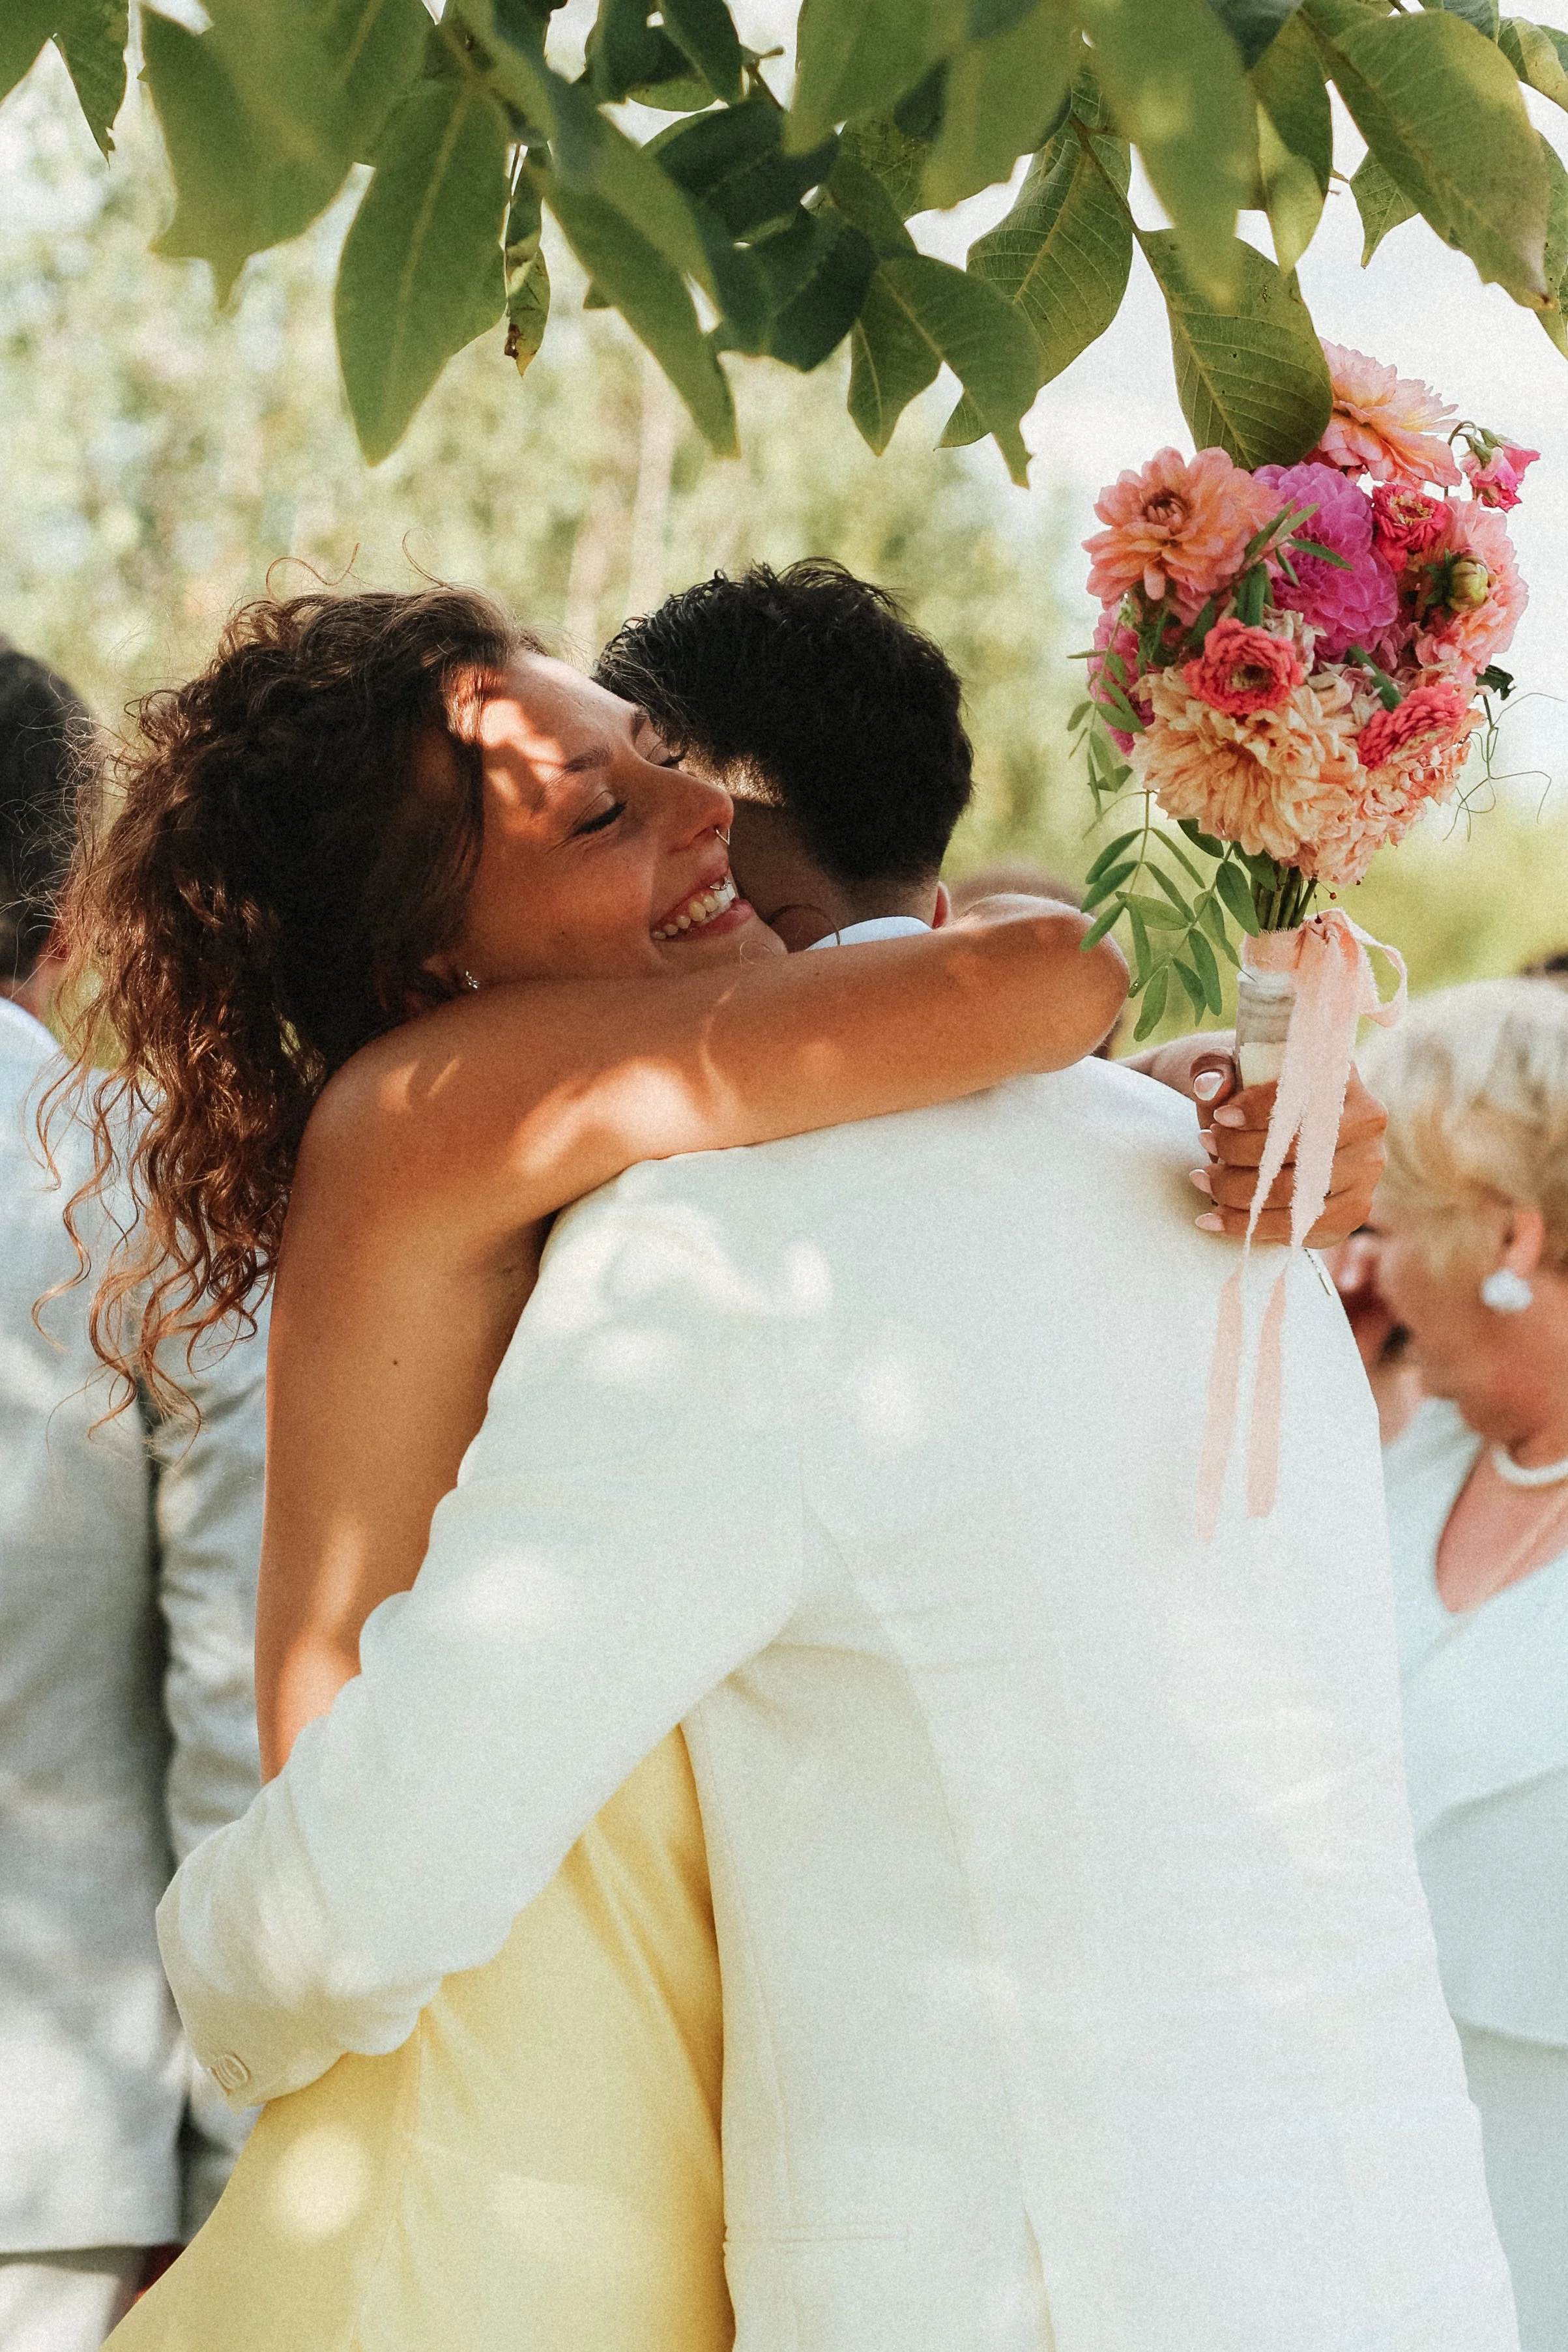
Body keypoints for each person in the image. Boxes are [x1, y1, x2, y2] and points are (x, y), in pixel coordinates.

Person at [87, 578, 1509, 2346]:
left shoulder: (733, 1219)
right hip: (1372, 2254)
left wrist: (203, 1976)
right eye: (606, 808)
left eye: (665, 761)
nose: (715, 820)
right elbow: (1022, 978)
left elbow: (348, 1913)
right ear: (425, 966)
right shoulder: (474, 1110)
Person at [0, 642, 267, 2352]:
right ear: (81, 905)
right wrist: (245, 2175)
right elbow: (232, 1717)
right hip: (47, 2159)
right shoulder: (149, 1197)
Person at [1361, 978, 1568, 2350]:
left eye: (1387, 1224)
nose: (1365, 1265)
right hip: (1367, 2192)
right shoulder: (1399, 1455)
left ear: (1505, 1233)